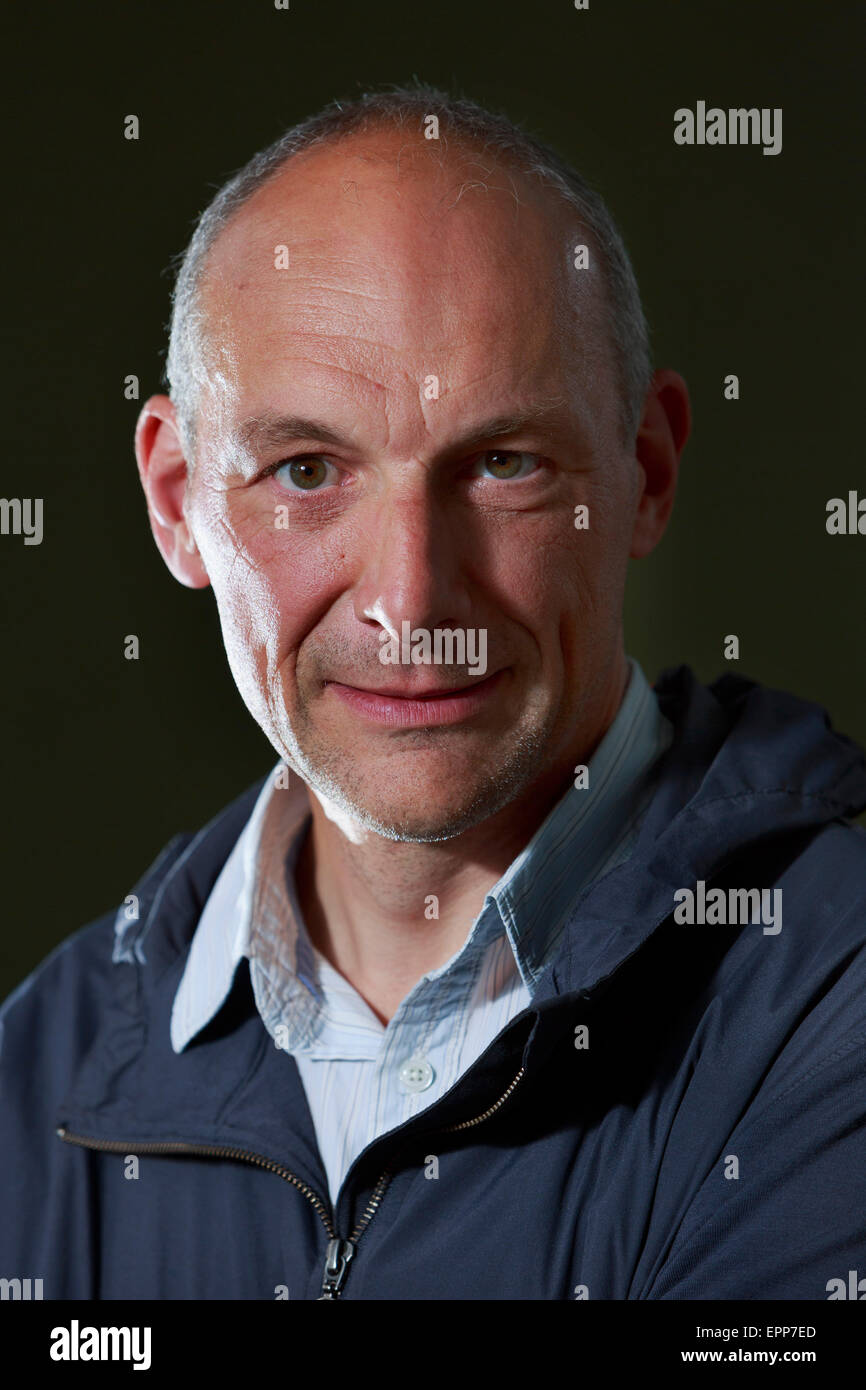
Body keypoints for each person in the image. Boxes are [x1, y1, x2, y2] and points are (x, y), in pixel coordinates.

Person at [1, 85, 864, 1302]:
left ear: (646, 471)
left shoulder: (832, 997)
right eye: (306, 470)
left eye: (502, 464)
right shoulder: (33, 1080)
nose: (409, 600)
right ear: (177, 502)